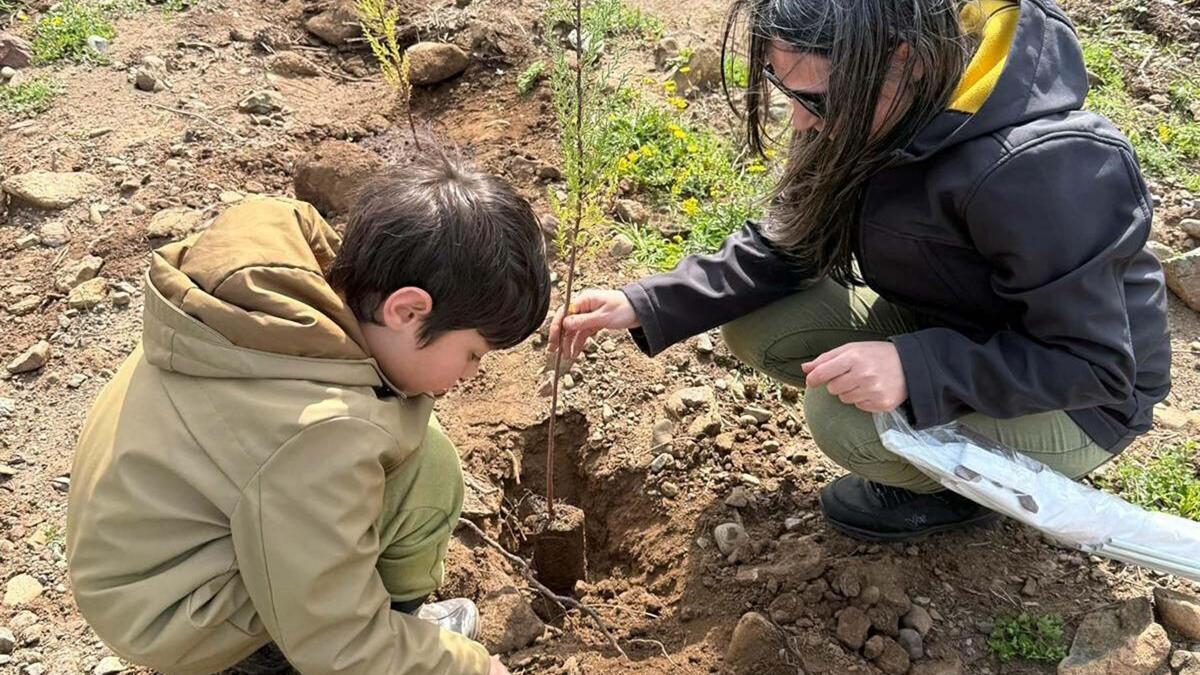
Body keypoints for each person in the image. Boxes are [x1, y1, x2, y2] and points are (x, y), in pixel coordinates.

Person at [552, 0, 1171, 541]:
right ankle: (939, 439)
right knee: (754, 324)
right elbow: (792, 244)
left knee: (842, 416)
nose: (800, 120)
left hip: (1079, 399)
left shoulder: (1039, 165)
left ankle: (962, 493)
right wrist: (650, 302)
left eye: (814, 99)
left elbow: (1093, 364)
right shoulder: (861, 97)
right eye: (784, 89)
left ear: (904, 59)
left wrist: (917, 368)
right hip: (954, 317)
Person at [65, 147, 550, 675]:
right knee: (346, 635)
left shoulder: (285, 303)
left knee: (424, 458)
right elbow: (337, 642)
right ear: (406, 310)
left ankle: (393, 628)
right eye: (473, 354)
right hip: (170, 612)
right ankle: (289, 659)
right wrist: (464, 668)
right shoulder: (318, 432)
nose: (472, 373)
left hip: (150, 550)